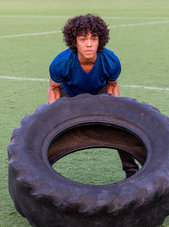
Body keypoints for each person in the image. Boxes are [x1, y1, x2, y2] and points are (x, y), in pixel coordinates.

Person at [48, 14, 139, 178]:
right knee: (48, 129)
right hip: (69, 95)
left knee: (121, 127)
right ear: (74, 41)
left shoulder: (110, 60)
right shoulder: (61, 62)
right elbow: (54, 89)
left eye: (93, 38)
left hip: (100, 93)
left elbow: (112, 86)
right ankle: (42, 170)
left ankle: (132, 171)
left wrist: (115, 114)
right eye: (83, 39)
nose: (89, 44)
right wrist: (54, 116)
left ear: (100, 40)